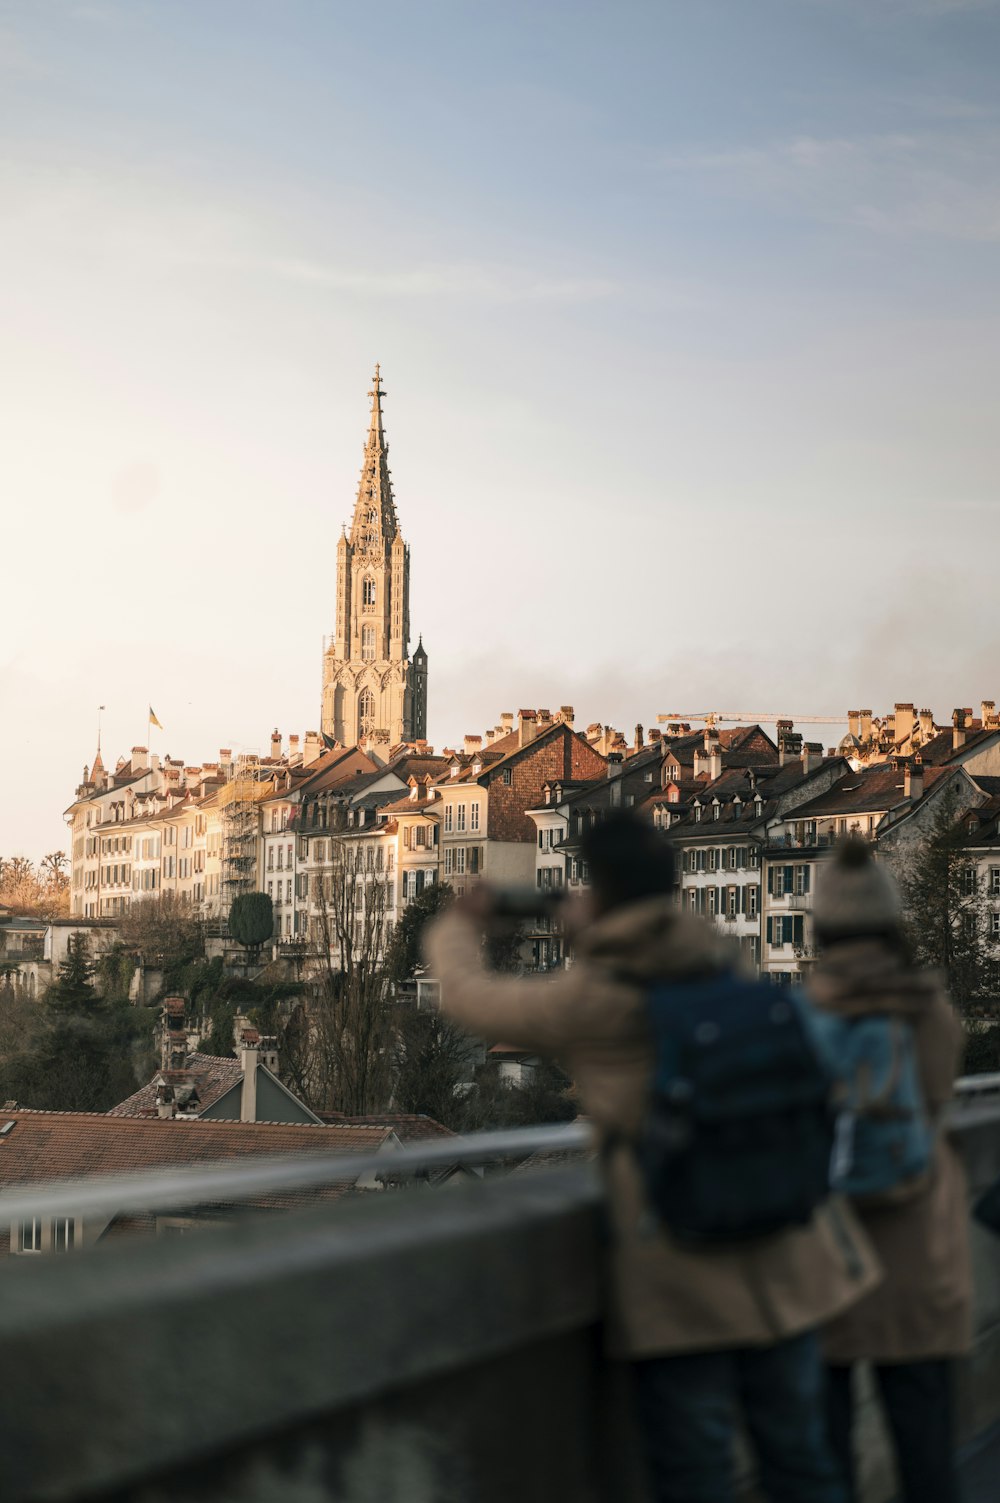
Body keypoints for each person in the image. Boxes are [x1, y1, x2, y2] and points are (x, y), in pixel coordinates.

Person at [425, 812, 879, 1503]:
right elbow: (655, 951)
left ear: (599, 894)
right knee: (802, 1463)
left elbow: (472, 997)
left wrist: (461, 925)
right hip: (786, 1258)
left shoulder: (598, 997)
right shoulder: (727, 959)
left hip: (682, 1272)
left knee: (695, 1473)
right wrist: (605, 928)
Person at [808, 839, 971, 1503]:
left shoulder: (802, 1014)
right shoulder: (928, 1010)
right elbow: (935, 1105)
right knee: (928, 1457)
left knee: (828, 1462)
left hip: (827, 1263)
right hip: (918, 1257)